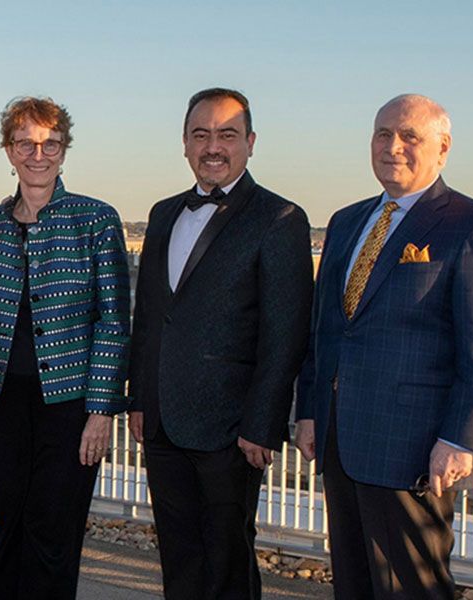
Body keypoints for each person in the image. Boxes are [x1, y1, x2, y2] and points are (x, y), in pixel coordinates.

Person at [295, 94, 473, 598]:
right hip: (340, 442)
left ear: (443, 148)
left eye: (409, 136)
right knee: (354, 583)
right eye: (382, 134)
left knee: (413, 588)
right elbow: (325, 329)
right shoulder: (348, 222)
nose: (392, 146)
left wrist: (462, 440)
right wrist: (308, 410)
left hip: (413, 450)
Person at [127, 88, 312, 599]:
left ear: (250, 143)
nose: (213, 145)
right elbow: (150, 319)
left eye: (227, 134)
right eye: (201, 134)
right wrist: (140, 400)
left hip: (231, 430)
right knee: (178, 556)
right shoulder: (163, 214)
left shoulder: (280, 219)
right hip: (163, 422)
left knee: (227, 560)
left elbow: (286, 332)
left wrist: (262, 424)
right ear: (184, 144)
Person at [0, 96, 131, 599]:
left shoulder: (95, 220)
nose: (39, 153)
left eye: (50, 142)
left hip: (71, 405)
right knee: (10, 522)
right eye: (26, 143)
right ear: (8, 151)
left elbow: (114, 320)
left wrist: (101, 410)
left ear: (64, 149)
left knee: (54, 530)